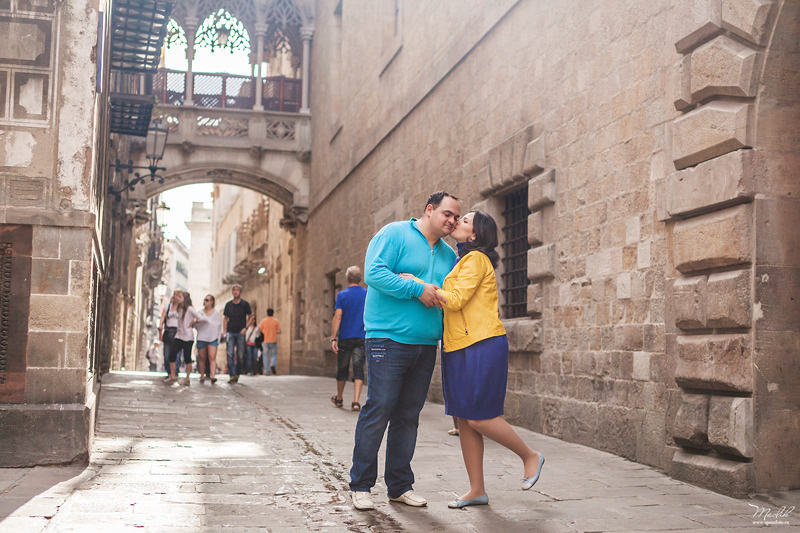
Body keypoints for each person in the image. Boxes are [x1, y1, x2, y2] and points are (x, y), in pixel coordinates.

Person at [348, 191, 460, 511]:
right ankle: (361, 485)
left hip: (426, 344)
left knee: (408, 416)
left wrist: (430, 290)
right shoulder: (395, 233)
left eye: (456, 216)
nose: (452, 220)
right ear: (429, 210)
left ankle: (399, 486)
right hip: (387, 339)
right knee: (380, 408)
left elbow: (449, 294)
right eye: (447, 213)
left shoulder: (448, 255)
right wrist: (416, 287)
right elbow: (374, 274)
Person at [432, 211, 545, 509]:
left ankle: (530, 456)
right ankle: (476, 490)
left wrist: (423, 287)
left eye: (464, 220)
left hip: (481, 344)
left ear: (475, 235)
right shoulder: (461, 260)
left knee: (480, 417)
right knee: (464, 420)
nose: (457, 222)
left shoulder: (476, 259)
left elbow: (456, 299)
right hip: (458, 346)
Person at [330, 266, 368, 411]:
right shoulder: (367, 294)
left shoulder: (341, 295)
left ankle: (339, 398)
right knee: (359, 368)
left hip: (345, 337)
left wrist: (333, 338)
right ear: (360, 279)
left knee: (342, 368)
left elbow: (337, 316)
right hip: (361, 336)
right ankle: (356, 401)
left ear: (347, 279)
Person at [173, 290, 206, 386]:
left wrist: (194, 322)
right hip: (179, 335)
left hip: (188, 337)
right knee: (172, 354)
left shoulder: (190, 309)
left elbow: (201, 318)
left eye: (180, 297)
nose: (178, 298)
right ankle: (172, 376)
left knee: (187, 357)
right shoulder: (179, 308)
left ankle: (187, 378)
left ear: (185, 299)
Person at [223, 284, 252, 384]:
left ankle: (237, 373)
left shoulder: (245, 304)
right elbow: (225, 318)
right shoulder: (228, 305)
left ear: (240, 292)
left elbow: (251, 317)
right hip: (230, 332)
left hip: (240, 333)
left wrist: (246, 328)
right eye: (234, 290)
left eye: (237, 290)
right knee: (230, 354)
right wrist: (225, 331)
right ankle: (232, 375)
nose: (235, 292)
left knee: (240, 356)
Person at [195, 294, 223, 384]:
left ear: (212, 302)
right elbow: (196, 325)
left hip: (213, 338)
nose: (205, 302)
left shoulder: (217, 313)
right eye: (204, 300)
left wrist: (218, 338)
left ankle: (213, 376)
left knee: (212, 357)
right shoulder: (200, 313)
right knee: (202, 358)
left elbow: (220, 326)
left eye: (207, 300)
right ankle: (202, 376)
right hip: (202, 337)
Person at [159, 291, 181, 384]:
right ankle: (169, 372)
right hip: (168, 331)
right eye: (174, 295)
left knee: (177, 355)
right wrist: (160, 326)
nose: (175, 297)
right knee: (167, 354)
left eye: (178, 295)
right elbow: (162, 317)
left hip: (178, 332)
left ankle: (175, 373)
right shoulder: (167, 307)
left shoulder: (181, 308)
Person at [258, 308, 281, 375]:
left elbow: (259, 330)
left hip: (265, 341)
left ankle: (267, 371)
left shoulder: (263, 321)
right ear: (273, 313)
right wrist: (274, 332)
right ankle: (272, 364)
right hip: (273, 340)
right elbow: (279, 331)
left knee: (265, 356)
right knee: (274, 354)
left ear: (267, 313)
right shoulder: (276, 321)